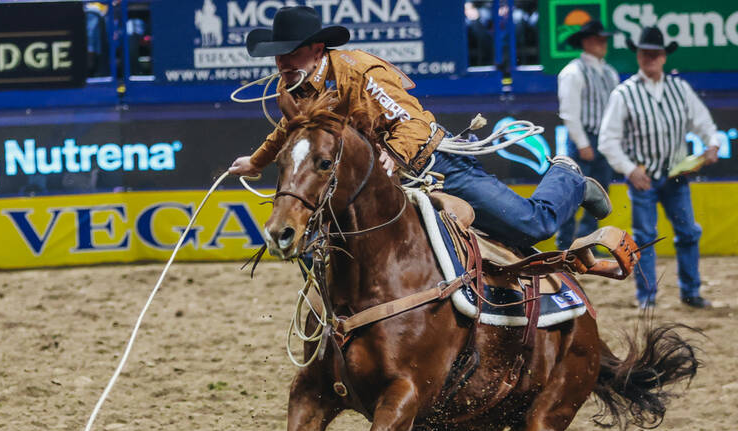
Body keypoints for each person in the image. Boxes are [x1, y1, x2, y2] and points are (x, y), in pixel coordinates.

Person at [229, 6, 611, 251]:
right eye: (278, 53)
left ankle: (567, 178)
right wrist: (258, 161)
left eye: (289, 51)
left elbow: (409, 120)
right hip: (378, 180)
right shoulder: (293, 83)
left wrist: (393, 156)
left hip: (434, 166)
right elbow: (292, 128)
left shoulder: (359, 69)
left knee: (529, 227)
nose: (280, 60)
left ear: (316, 49)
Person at [597, 26, 722, 309]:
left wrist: (712, 144)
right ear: (638, 55)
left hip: (677, 176)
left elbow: (704, 124)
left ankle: (690, 292)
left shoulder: (681, 89)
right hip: (644, 178)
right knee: (645, 238)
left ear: (664, 56)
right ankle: (647, 298)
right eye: (645, 53)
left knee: (688, 232)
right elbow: (608, 140)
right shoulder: (624, 93)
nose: (650, 58)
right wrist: (629, 169)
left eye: (655, 53)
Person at [555, 19, 619, 250]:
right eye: (598, 39)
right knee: (574, 197)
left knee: (599, 197)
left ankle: (583, 246)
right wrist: (582, 142)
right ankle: (565, 246)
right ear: (587, 42)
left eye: (603, 39)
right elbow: (569, 112)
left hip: (604, 140)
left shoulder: (610, 73)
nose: (603, 43)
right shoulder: (573, 72)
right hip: (586, 139)